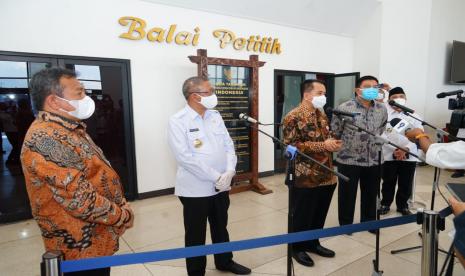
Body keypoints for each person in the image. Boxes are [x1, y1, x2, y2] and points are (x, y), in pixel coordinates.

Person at [21, 68, 134, 276]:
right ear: (54, 102)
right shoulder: (46, 139)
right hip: (79, 247)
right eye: (79, 92)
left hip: (95, 242)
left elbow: (93, 174)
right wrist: (122, 216)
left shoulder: (68, 128)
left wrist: (119, 203)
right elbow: (80, 200)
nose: (86, 98)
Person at [168, 76, 251, 276]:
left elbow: (228, 144)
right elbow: (185, 157)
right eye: (210, 91)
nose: (214, 95)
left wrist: (230, 170)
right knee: (196, 233)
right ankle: (196, 272)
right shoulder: (178, 120)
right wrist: (216, 176)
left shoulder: (214, 115)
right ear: (195, 96)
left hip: (222, 184)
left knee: (221, 226)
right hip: (195, 189)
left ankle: (224, 261)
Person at [282, 79, 342, 267]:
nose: (323, 97)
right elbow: (290, 146)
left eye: (324, 93)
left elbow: (324, 137)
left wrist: (332, 143)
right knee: (302, 213)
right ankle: (297, 247)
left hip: (326, 173)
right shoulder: (293, 116)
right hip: (305, 175)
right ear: (307, 95)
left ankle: (313, 242)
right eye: (320, 93)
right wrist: (322, 145)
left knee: (319, 212)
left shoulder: (322, 114)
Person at [331, 76, 388, 230]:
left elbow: (382, 128)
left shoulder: (382, 109)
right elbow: (336, 131)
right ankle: (346, 225)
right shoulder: (344, 108)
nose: (372, 90)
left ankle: (369, 223)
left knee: (371, 194)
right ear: (358, 90)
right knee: (347, 195)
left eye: (375, 87)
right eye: (368, 86)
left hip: (374, 159)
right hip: (349, 160)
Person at [379, 87, 424, 216]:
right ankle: (385, 204)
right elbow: (381, 134)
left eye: (401, 96)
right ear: (389, 100)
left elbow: (419, 134)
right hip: (388, 153)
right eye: (394, 97)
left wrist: (405, 149)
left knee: (406, 182)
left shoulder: (414, 115)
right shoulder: (383, 114)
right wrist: (395, 149)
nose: (399, 99)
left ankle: (402, 206)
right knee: (388, 181)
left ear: (405, 98)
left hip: (409, 154)